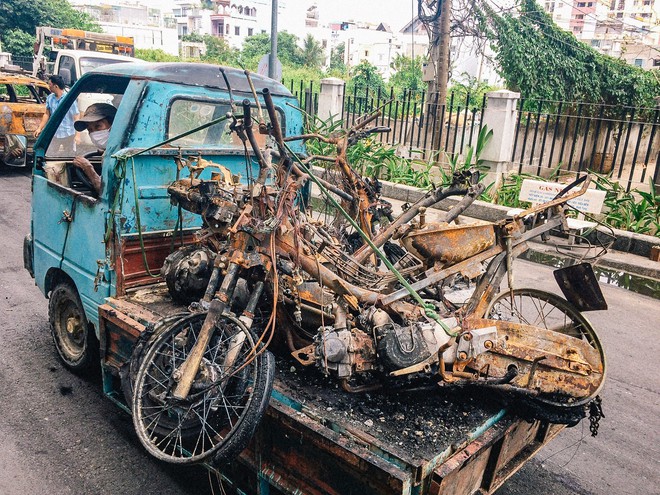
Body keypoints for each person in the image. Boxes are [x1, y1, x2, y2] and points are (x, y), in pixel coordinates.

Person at [71, 103, 117, 195]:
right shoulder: (112, 152)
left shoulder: (120, 156)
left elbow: (106, 193)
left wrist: (88, 168)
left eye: (98, 126)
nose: (94, 133)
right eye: (90, 130)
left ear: (114, 125)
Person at [34, 75, 80, 156]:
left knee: (68, 156)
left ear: (56, 86)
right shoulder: (50, 98)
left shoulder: (69, 99)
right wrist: (39, 128)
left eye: (50, 84)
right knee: (50, 154)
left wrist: (77, 135)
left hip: (68, 133)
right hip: (54, 133)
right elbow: (47, 114)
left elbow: (76, 116)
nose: (49, 86)